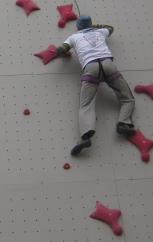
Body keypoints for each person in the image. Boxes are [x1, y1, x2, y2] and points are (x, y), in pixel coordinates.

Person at [54, 14, 136, 156]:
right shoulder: (101, 31)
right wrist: (94, 26)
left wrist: (63, 52)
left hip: (90, 68)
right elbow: (110, 28)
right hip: (108, 65)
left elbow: (59, 50)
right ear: (91, 24)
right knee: (127, 98)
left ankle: (86, 136)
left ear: (77, 26)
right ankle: (124, 123)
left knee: (86, 105)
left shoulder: (73, 37)